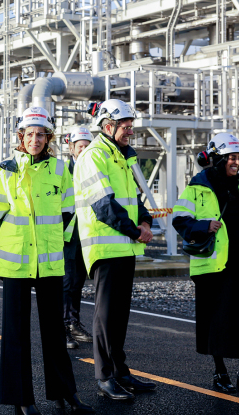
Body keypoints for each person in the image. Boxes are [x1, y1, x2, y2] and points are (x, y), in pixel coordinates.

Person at [0, 107, 93, 415]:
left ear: (48, 138)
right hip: (17, 261)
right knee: (15, 335)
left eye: (41, 134)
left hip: (48, 261)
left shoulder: (60, 169)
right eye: (30, 134)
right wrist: (11, 246)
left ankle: (65, 394)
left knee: (54, 333)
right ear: (21, 137)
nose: (36, 139)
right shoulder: (5, 170)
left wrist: (53, 244)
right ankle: (22, 400)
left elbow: (69, 212)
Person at [173, 132, 239, 394]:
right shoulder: (197, 186)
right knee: (216, 322)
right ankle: (220, 371)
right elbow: (179, 218)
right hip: (212, 267)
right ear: (217, 158)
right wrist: (203, 225)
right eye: (231, 157)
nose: (236, 162)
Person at [73, 99, 156, 401]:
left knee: (119, 316)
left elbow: (133, 199)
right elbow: (103, 205)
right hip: (105, 248)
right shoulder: (94, 155)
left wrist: (145, 221)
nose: (130, 131)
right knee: (105, 317)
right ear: (108, 126)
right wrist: (136, 231)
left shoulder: (119, 158)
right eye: (126, 126)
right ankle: (104, 377)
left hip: (125, 247)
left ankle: (121, 373)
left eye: (131, 126)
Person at [62, 127, 94, 350]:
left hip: (85, 236)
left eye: (87, 146)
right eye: (80, 146)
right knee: (66, 284)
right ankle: (63, 328)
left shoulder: (92, 172)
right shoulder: (64, 172)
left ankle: (73, 323)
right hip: (66, 238)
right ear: (71, 148)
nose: (83, 150)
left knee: (78, 283)